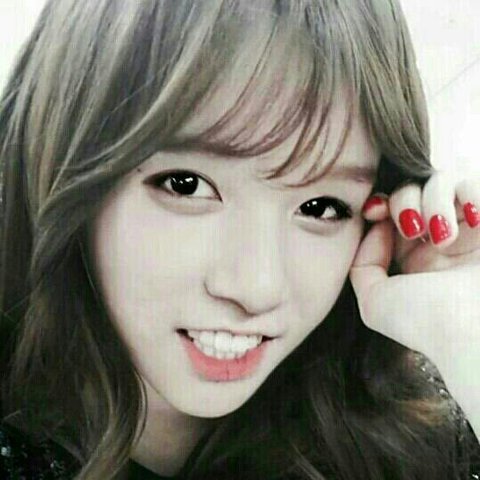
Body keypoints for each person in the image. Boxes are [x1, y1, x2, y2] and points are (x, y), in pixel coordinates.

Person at [0, 0, 479, 479]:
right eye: (187, 185)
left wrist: (464, 329)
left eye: (321, 207)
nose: (257, 288)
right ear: (62, 161)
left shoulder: (414, 438)